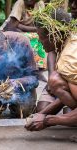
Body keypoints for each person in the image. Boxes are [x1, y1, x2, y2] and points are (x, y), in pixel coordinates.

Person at [25, 0, 77, 131]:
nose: (39, 42)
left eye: (41, 37)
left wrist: (48, 121)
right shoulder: (69, 39)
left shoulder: (68, 60)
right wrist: (40, 114)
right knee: (56, 81)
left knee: (55, 80)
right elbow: (69, 92)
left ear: (53, 35)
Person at [0, 0, 47, 81]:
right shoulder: (20, 3)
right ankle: (28, 70)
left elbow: (41, 27)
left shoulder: (40, 4)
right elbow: (12, 26)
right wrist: (32, 30)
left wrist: (21, 26)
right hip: (9, 31)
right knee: (27, 38)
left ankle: (37, 70)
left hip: (27, 32)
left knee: (39, 37)